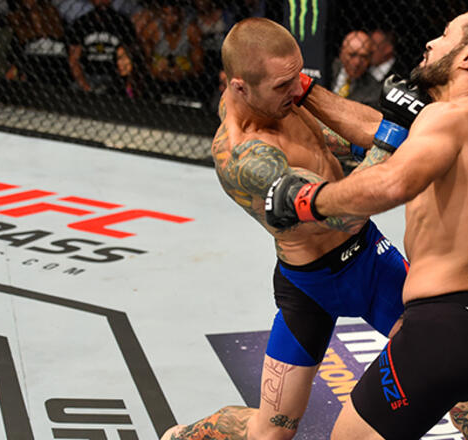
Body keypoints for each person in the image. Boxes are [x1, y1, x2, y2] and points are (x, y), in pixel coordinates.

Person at [267, 10, 468, 440]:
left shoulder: (447, 118)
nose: (431, 43)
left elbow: (393, 181)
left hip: (447, 327)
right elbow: (378, 132)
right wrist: (308, 91)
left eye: (446, 36)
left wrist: (306, 200)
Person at [160, 17, 426, 440]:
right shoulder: (244, 160)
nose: (297, 90)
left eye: (299, 77)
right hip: (309, 287)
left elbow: (354, 142)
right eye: (284, 85)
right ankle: (185, 436)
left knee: (451, 368)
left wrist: (385, 131)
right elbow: (344, 211)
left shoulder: (285, 99)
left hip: (371, 264)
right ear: (239, 86)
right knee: (271, 433)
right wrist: (392, 131)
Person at [65, 0, 138, 93]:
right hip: (88, 75)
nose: (103, 1)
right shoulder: (81, 23)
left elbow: (130, 59)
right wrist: (85, 86)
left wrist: (128, 86)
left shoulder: (122, 23)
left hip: (114, 77)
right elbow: (74, 60)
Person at [5, 0, 70, 85]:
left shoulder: (60, 31)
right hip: (33, 83)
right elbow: (15, 65)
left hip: (59, 80)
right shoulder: (21, 31)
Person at [329, 30, 380, 109]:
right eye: (352, 55)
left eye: (364, 57)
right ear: (341, 53)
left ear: (370, 59)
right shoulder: (326, 68)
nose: (357, 62)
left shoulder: (373, 89)